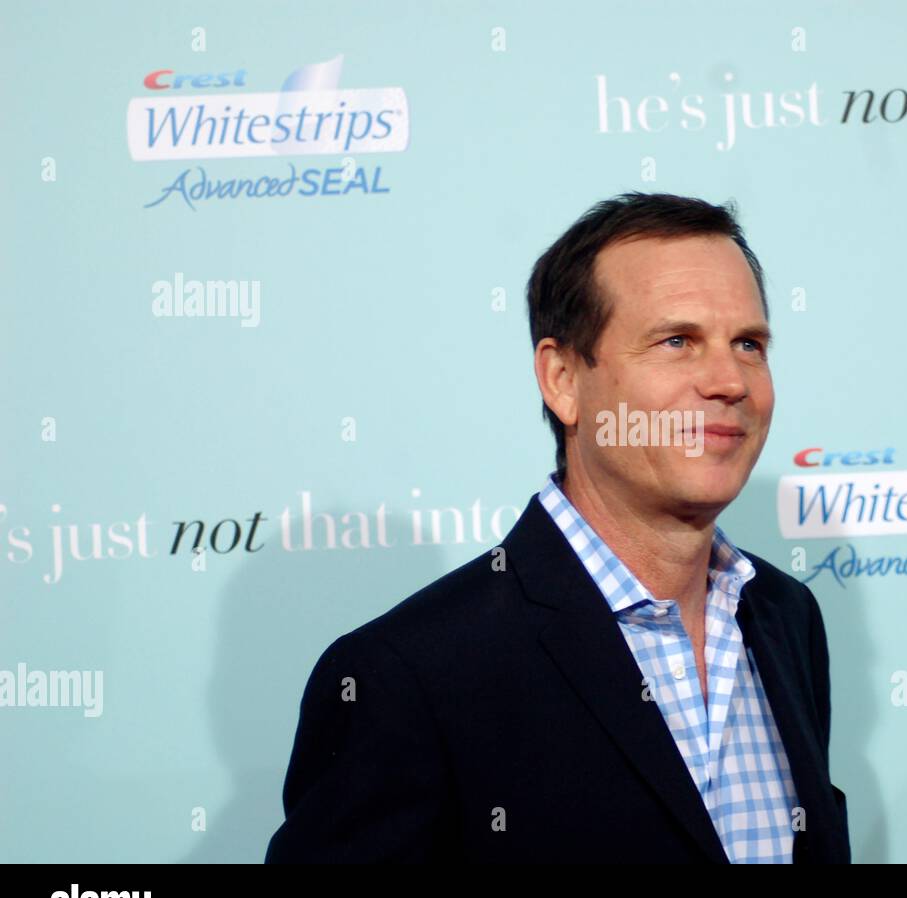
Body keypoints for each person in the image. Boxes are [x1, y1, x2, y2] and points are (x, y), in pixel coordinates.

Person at [265, 192, 849, 862]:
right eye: (677, 341)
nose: (728, 380)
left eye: (749, 343)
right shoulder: (408, 677)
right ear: (564, 379)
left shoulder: (785, 619)